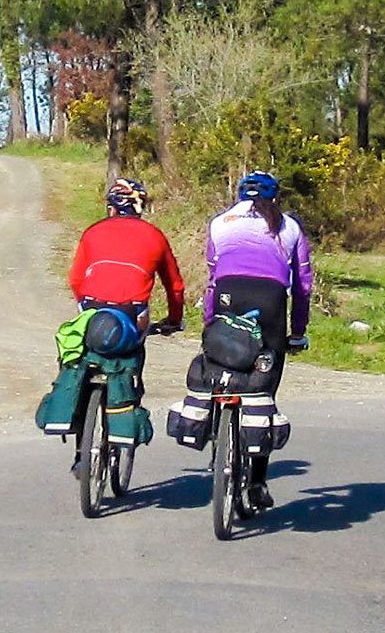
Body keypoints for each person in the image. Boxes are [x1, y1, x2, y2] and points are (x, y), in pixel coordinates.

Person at [190, 169, 313, 512]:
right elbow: (302, 284)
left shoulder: (220, 223)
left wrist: (210, 324)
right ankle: (257, 482)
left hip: (230, 294)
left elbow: (213, 279)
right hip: (271, 301)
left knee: (222, 363)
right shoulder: (289, 226)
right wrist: (297, 332)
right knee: (262, 387)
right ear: (274, 198)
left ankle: (219, 433)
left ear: (240, 196)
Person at [65, 175, 186, 334]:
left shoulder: (92, 232)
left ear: (112, 208)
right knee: (134, 348)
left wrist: (84, 304)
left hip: (92, 306)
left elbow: (75, 280)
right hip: (133, 310)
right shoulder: (155, 235)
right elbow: (174, 286)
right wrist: (174, 320)